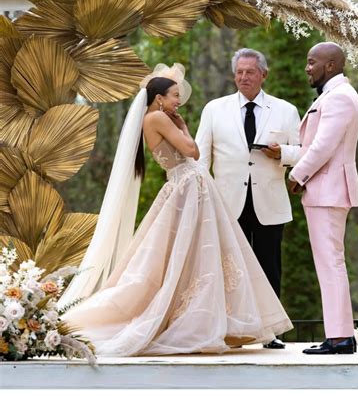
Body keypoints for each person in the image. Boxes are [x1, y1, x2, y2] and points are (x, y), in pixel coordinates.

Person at [60, 63, 293, 356]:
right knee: (194, 253)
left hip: (188, 185)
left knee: (194, 254)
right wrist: (183, 127)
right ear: (158, 98)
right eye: (173, 95)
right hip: (188, 186)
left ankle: (217, 321)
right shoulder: (158, 117)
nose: (177, 101)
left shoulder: (153, 117)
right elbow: (192, 150)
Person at [195, 49, 301, 349]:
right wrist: (203, 197)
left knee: (269, 268)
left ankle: (270, 333)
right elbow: (202, 156)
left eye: (250, 72)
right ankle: (232, 331)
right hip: (228, 204)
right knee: (230, 270)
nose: (244, 77)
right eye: (239, 72)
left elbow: (304, 152)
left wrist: (282, 152)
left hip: (270, 203)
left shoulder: (286, 110)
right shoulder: (214, 109)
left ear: (263, 74)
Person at [288, 42, 358, 355]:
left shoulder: (341, 97)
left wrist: (297, 174)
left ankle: (341, 338)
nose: (307, 68)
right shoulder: (337, 96)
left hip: (328, 191)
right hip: (326, 191)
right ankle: (338, 334)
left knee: (330, 264)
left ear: (330, 65)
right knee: (329, 264)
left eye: (311, 62)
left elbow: (323, 147)